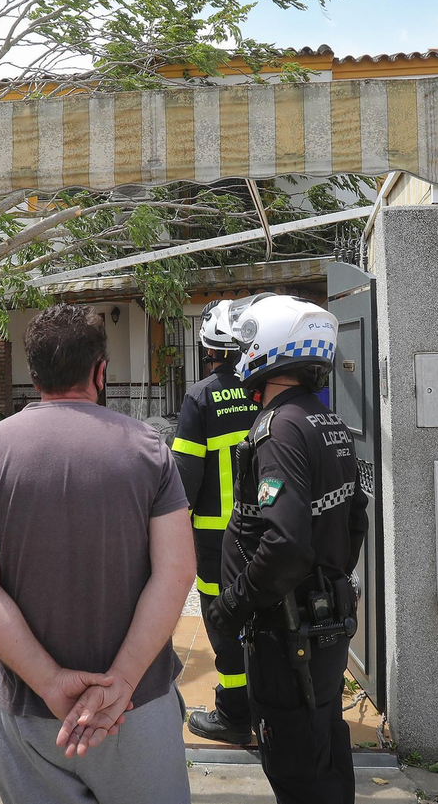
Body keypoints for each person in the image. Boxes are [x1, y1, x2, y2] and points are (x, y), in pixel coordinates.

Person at [0, 303, 196, 804]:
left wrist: (50, 682)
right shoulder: (148, 449)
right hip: (135, 706)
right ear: (100, 372)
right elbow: (177, 571)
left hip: (30, 716)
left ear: (33, 374)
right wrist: (121, 681)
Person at [204, 294, 368, 804]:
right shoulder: (326, 421)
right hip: (321, 625)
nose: (241, 354)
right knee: (325, 746)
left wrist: (234, 604)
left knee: (296, 765)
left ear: (271, 350)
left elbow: (286, 543)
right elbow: (355, 518)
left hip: (287, 632)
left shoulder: (278, 430)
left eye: (249, 342)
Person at [173, 298, 260, 745]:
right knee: (262, 615)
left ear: (208, 349)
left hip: (215, 541)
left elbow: (182, 482)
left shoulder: (200, 397)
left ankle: (233, 714)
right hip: (266, 534)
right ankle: (268, 707)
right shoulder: (265, 389)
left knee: (222, 621)